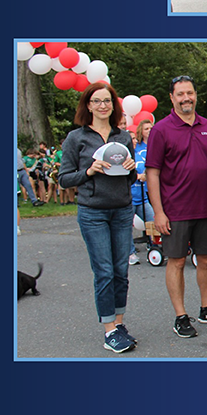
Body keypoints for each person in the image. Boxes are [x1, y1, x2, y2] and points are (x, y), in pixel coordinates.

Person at [145, 75, 207, 338]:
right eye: (180, 94)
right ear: (172, 98)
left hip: (205, 207)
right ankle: (181, 316)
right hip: (175, 210)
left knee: (206, 259)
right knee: (178, 261)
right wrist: (158, 211)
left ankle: (206, 308)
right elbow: (153, 173)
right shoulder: (161, 129)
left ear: (196, 95)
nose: (186, 98)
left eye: (190, 93)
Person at [58, 82, 139, 353]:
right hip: (93, 212)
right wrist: (89, 171)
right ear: (88, 105)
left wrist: (130, 169)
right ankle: (108, 331)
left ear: (114, 106)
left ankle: (118, 323)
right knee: (104, 271)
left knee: (121, 270)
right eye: (97, 101)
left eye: (107, 101)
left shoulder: (123, 137)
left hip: (122, 209)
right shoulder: (76, 138)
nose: (103, 105)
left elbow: (128, 178)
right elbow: (64, 179)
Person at [127, 118, 155, 266]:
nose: (133, 141)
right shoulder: (128, 154)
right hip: (129, 197)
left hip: (143, 197)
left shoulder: (143, 151)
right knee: (125, 228)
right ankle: (130, 252)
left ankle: (154, 245)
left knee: (154, 222)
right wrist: (138, 176)